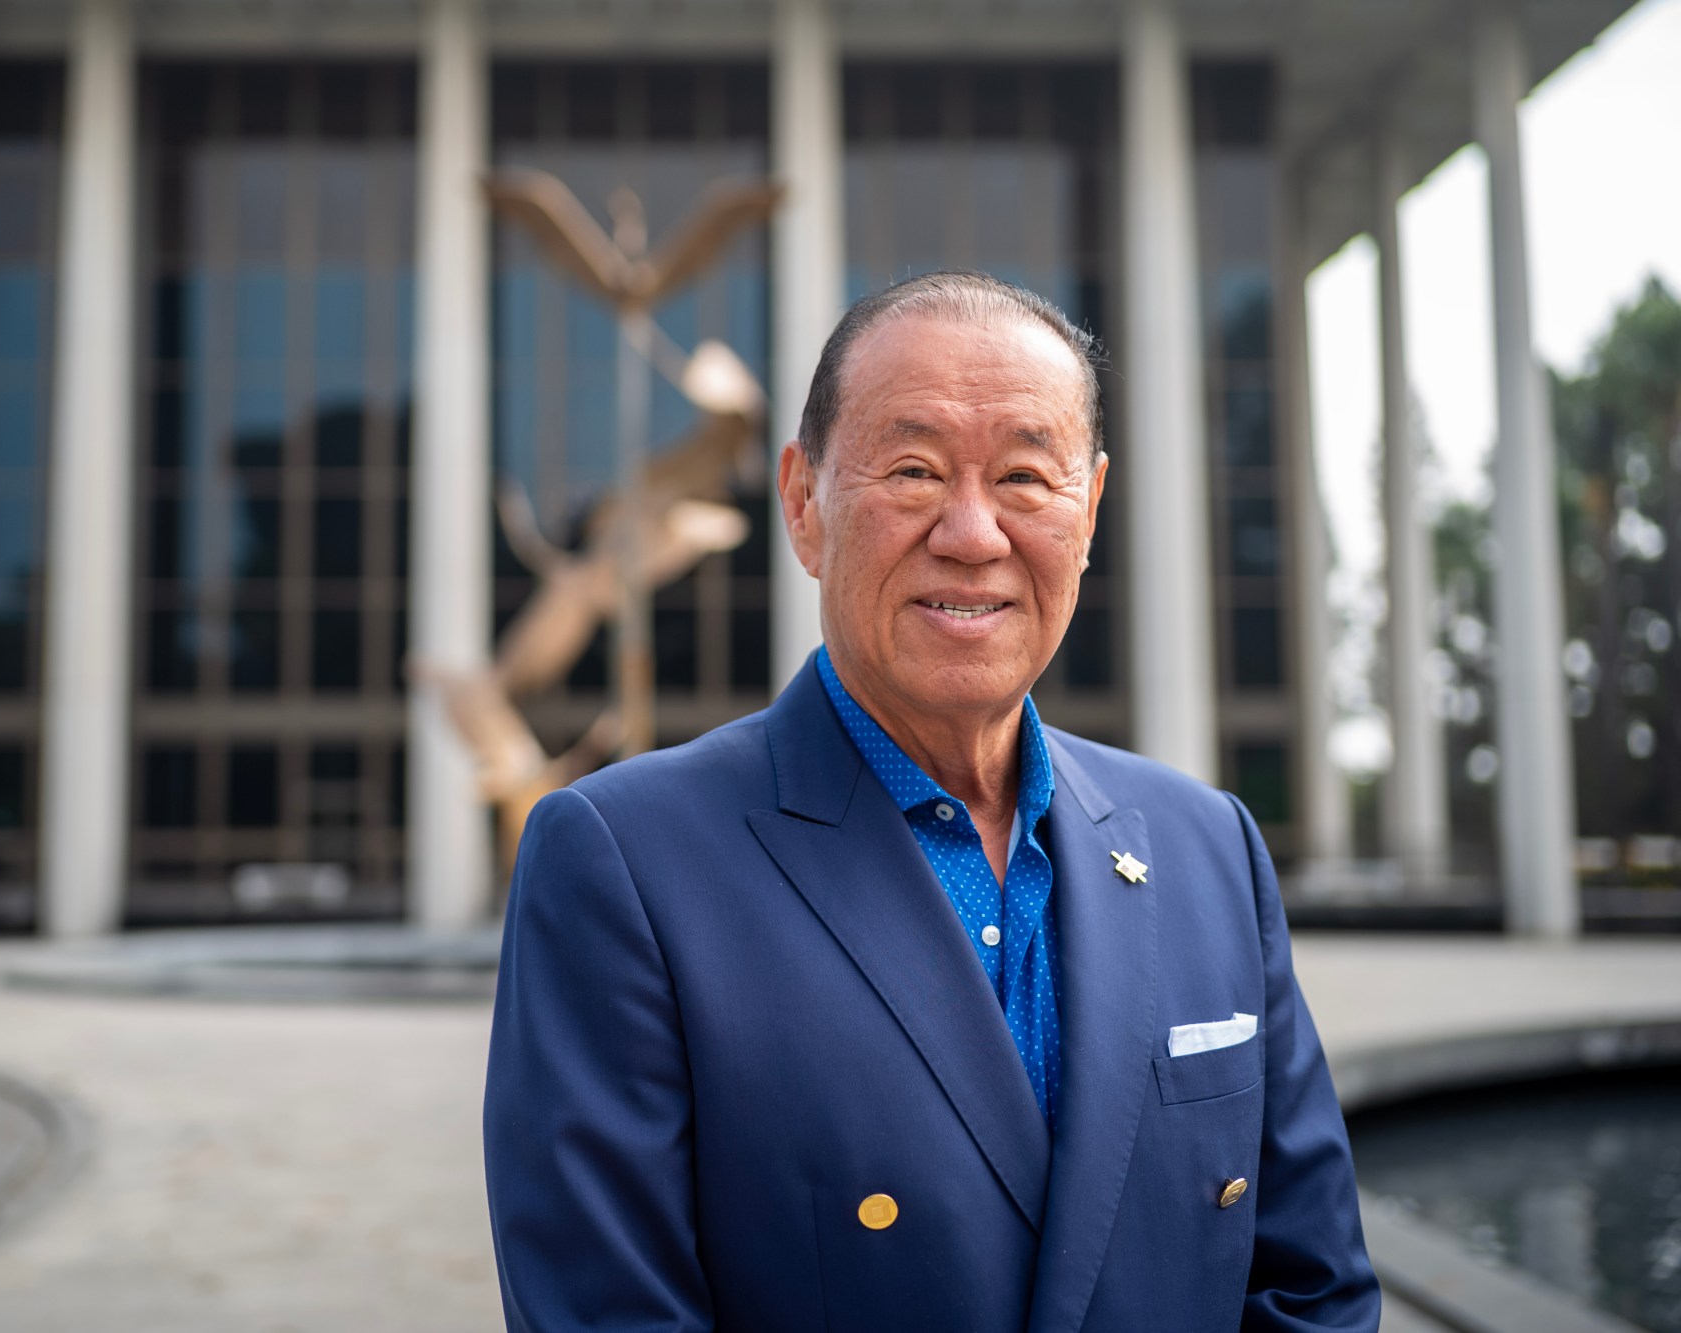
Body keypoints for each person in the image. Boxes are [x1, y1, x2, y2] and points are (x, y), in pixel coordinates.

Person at [483, 271, 1380, 1332]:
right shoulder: (621, 862)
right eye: (911, 470)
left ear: (1087, 511)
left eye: (1023, 477)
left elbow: (1311, 1290)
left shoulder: (1206, 848)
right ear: (802, 504)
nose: (970, 532)